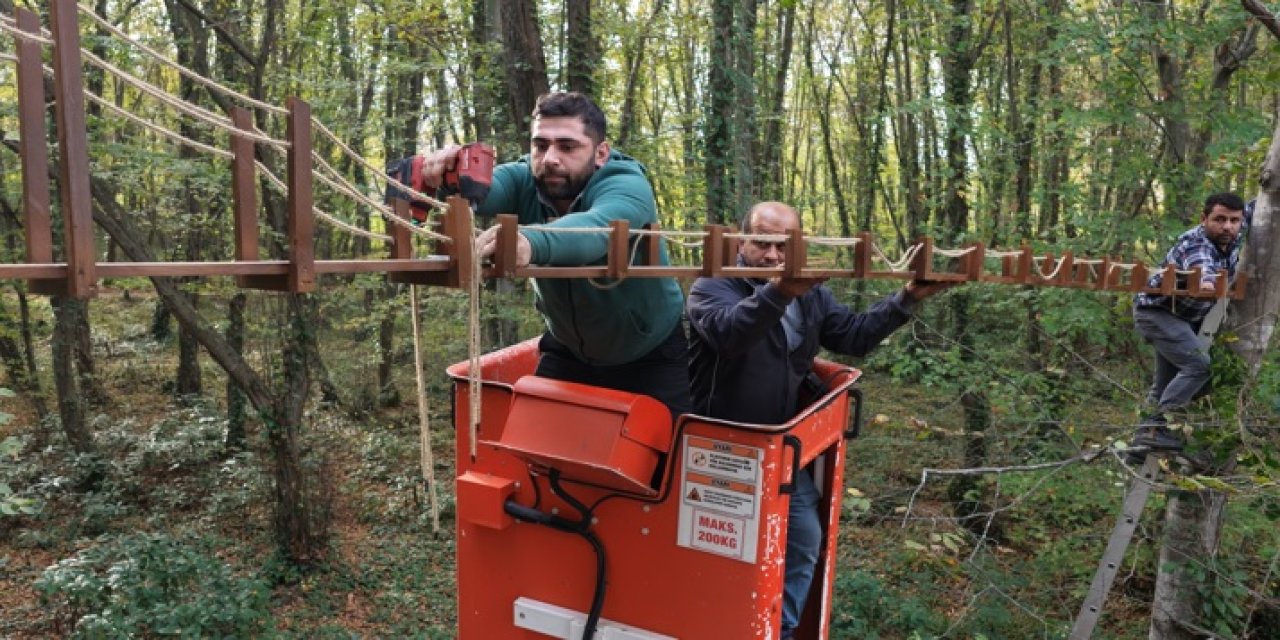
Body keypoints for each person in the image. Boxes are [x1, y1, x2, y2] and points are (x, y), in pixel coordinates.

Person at [685, 201, 954, 640]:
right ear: (740, 241)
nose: (772, 256)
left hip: (783, 450)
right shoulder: (713, 286)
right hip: (721, 448)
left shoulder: (810, 295)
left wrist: (906, 299)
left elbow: (854, 337)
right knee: (722, 552)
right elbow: (729, 336)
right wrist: (778, 292)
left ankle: (782, 630)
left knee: (802, 540)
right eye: (763, 243)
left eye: (784, 246)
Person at [412, 92, 690, 417]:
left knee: (665, 458)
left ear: (601, 152)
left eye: (567, 147)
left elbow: (596, 228)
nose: (550, 158)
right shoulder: (525, 177)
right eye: (540, 145)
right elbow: (485, 190)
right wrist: (451, 173)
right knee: (542, 456)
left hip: (651, 353)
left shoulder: (628, 185)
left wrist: (528, 242)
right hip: (569, 350)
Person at [1130, 192, 1251, 454]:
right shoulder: (1196, 245)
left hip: (1181, 319)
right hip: (1157, 313)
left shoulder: (1233, 233)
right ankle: (1158, 426)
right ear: (1204, 219)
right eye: (1219, 220)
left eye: (1234, 220)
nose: (1227, 226)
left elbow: (1258, 208)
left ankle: (1142, 444)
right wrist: (1207, 282)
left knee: (1165, 383)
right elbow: (1202, 267)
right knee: (1198, 366)